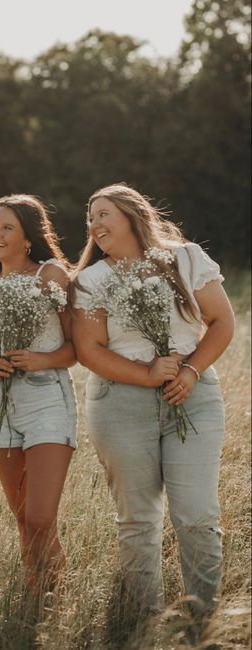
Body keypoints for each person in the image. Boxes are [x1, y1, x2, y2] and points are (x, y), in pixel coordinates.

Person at [72, 183, 234, 616]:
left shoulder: (184, 257)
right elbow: (90, 350)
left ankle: (203, 625)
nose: (95, 224)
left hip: (193, 397)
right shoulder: (92, 279)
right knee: (138, 522)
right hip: (119, 403)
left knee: (197, 517)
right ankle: (144, 625)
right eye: (91, 218)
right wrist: (146, 375)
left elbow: (221, 322)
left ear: (131, 213)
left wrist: (190, 370)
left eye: (103, 213)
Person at [0, 194, 77, 591]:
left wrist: (41, 360)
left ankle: (56, 597)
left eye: (7, 226)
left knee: (42, 516)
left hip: (46, 398)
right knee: (24, 517)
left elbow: (76, 348)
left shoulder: (50, 275)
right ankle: (38, 604)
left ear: (28, 237)